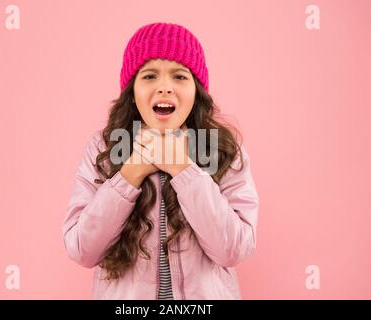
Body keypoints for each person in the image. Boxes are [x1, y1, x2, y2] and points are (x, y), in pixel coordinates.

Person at [62, 22, 259, 299]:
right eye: (150, 76)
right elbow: (82, 249)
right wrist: (131, 172)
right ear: (132, 90)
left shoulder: (221, 149)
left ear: (196, 90)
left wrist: (183, 168)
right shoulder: (104, 148)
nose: (165, 87)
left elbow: (235, 249)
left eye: (179, 76)